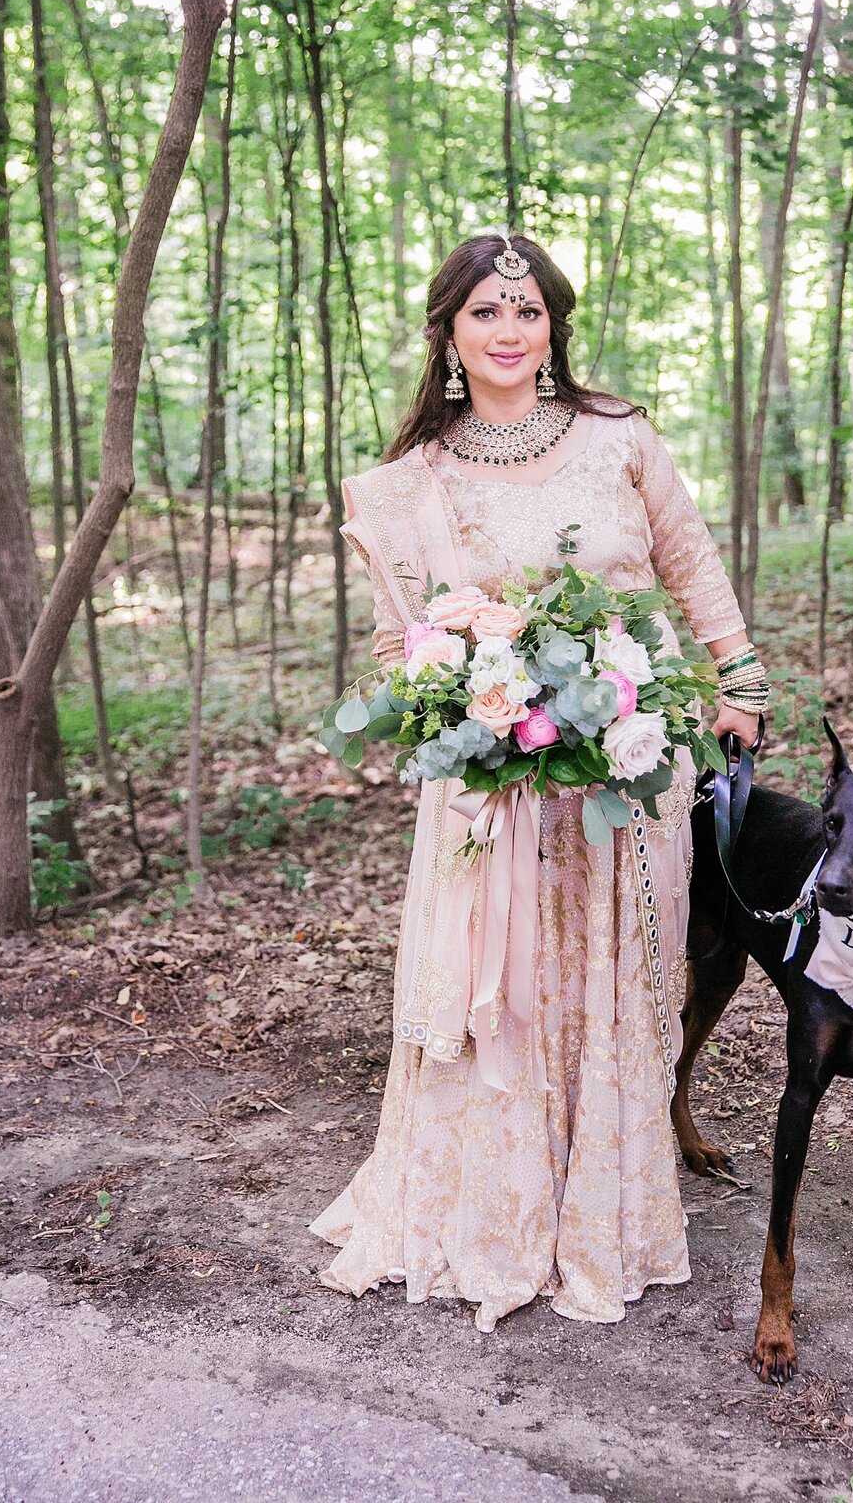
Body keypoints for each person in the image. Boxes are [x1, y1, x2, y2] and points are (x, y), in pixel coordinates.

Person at [308, 230, 771, 1331]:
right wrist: (464, 702)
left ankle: (602, 1208)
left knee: (615, 981)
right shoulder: (414, 481)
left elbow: (688, 559)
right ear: (450, 333)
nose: (509, 331)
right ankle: (495, 1211)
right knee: (502, 991)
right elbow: (395, 645)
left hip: (619, 770)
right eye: (485, 313)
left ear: (554, 324)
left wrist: (738, 673)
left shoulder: (617, 438)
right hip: (488, 788)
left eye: (528, 312)